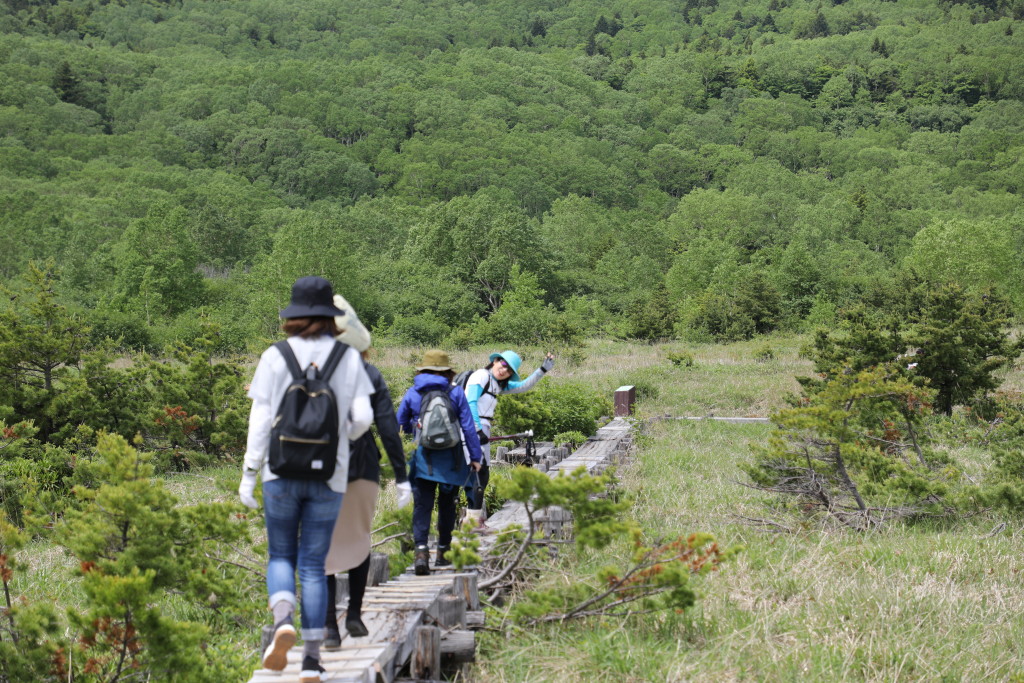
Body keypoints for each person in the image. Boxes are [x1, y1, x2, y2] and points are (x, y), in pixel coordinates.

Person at [238, 276, 374, 683]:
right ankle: (313, 660)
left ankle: (283, 619)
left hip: (279, 472)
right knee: (314, 565)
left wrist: (248, 474)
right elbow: (364, 419)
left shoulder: (274, 356)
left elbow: (260, 420)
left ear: (293, 316)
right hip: (329, 475)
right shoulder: (348, 358)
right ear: (332, 318)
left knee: (281, 555)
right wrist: (338, 443)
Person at [322, 294, 412, 647]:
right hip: (362, 465)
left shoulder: (310, 369)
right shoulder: (369, 373)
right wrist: (402, 476)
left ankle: (330, 628)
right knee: (359, 539)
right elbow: (388, 428)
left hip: (319, 467)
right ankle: (355, 614)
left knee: (323, 548)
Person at [396, 350, 483, 575]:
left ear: (422, 369)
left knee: (422, 506)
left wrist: (412, 431)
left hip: (422, 459)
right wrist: (475, 457)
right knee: (447, 505)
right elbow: (468, 427)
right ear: (448, 370)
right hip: (451, 460)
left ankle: (422, 552)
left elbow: (400, 421)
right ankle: (443, 552)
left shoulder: (413, 392)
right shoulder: (455, 393)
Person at [463, 350, 555, 528]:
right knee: (477, 474)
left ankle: (472, 520)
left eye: (509, 370)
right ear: (495, 361)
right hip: (471, 429)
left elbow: (522, 386)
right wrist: (477, 430)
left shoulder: (496, 385)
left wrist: (542, 370)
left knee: (481, 475)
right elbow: (470, 402)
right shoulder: (481, 376)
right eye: (503, 365)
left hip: (481, 431)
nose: (505, 370)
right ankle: (471, 522)